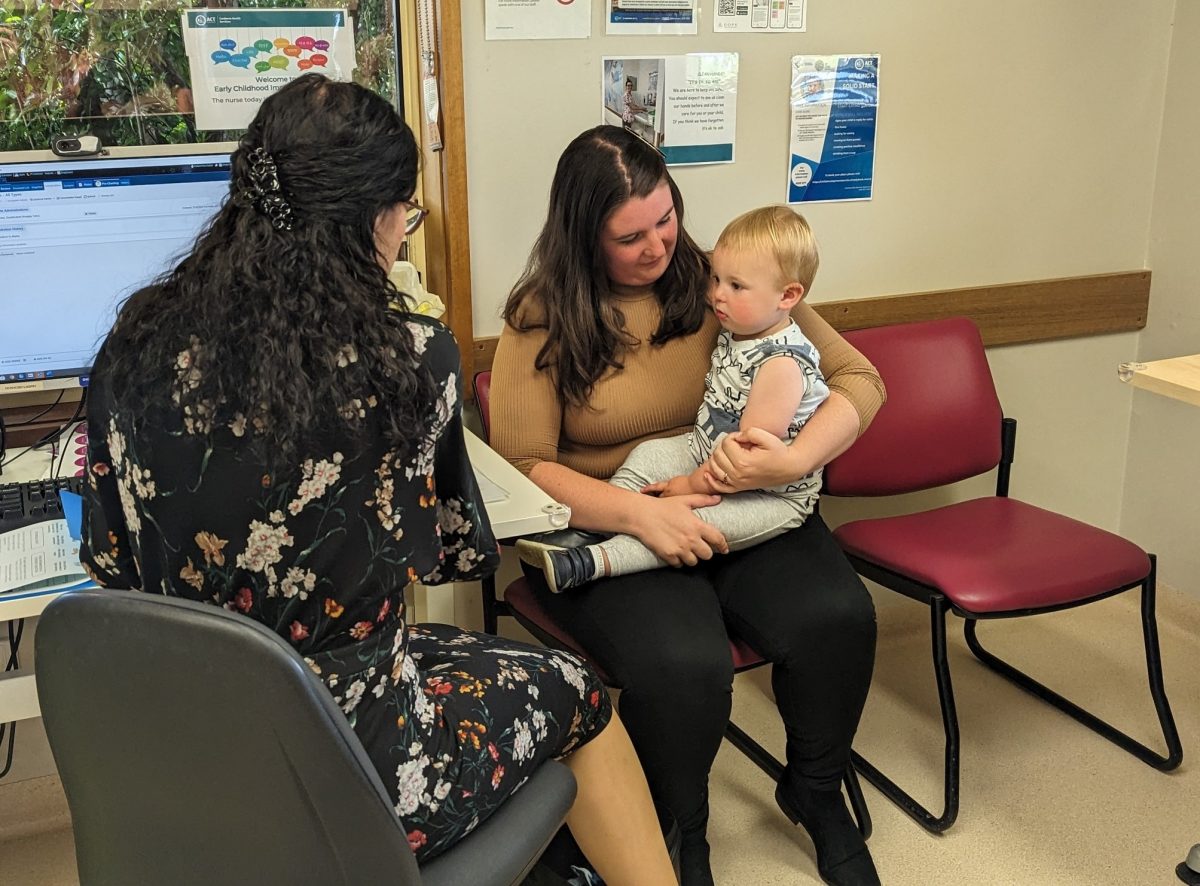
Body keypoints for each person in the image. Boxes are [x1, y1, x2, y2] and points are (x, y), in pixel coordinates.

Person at [78, 76, 675, 886]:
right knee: (575, 690)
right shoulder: (409, 356)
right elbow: (448, 553)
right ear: (374, 220)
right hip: (357, 763)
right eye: (406, 213)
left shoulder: (136, 339)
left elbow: (111, 560)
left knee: (399, 656)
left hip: (189, 744)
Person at [492, 124, 884, 886]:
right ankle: (678, 828)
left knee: (838, 615)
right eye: (629, 235)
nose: (658, 246)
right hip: (613, 515)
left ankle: (814, 788)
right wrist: (642, 514)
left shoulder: (725, 279)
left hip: (741, 495)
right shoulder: (543, 313)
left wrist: (798, 457)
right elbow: (520, 464)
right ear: (583, 236)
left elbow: (859, 378)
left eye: (666, 219)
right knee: (686, 665)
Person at [517, 204, 830, 594]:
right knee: (648, 455)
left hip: (762, 493)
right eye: (716, 278)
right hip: (703, 450)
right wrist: (645, 504)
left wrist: (688, 484)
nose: (716, 295)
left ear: (788, 296)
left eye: (736, 286)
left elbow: (747, 459)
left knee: (690, 525)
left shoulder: (781, 366)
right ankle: (595, 525)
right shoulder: (747, 325)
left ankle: (591, 562)